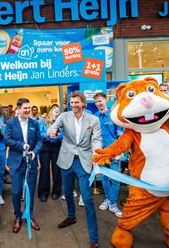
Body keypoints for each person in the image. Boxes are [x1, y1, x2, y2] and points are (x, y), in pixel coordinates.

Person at [48, 91, 102, 248]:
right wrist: (52, 131)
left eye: (76, 102)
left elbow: (97, 140)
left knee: (87, 199)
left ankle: (94, 238)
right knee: (68, 191)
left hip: (84, 161)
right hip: (66, 160)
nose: (73, 105)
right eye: (71, 103)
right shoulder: (64, 116)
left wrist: (97, 154)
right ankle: (71, 216)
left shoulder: (93, 120)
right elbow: (53, 127)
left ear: (84, 103)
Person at [5, 98, 42, 233]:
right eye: (25, 108)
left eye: (29, 108)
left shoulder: (34, 123)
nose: (27, 110)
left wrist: (34, 151)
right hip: (16, 163)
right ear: (18, 109)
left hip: (31, 163)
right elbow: (7, 140)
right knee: (15, 192)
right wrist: (21, 145)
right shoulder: (10, 123)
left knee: (31, 191)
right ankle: (18, 217)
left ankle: (29, 215)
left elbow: (39, 141)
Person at [93, 93, 124, 217]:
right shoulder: (95, 117)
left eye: (100, 101)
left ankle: (113, 203)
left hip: (114, 152)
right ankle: (107, 199)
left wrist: (118, 152)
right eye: (96, 102)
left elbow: (120, 135)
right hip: (101, 153)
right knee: (104, 177)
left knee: (115, 179)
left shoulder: (113, 115)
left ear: (105, 100)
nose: (98, 104)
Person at [38, 104, 63, 202]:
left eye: (58, 111)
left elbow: (63, 134)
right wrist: (48, 135)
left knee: (56, 169)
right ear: (51, 111)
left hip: (56, 146)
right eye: (55, 110)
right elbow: (40, 133)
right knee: (44, 169)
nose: (57, 112)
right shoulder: (43, 121)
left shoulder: (61, 122)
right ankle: (43, 192)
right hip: (45, 146)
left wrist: (56, 137)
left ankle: (56, 192)